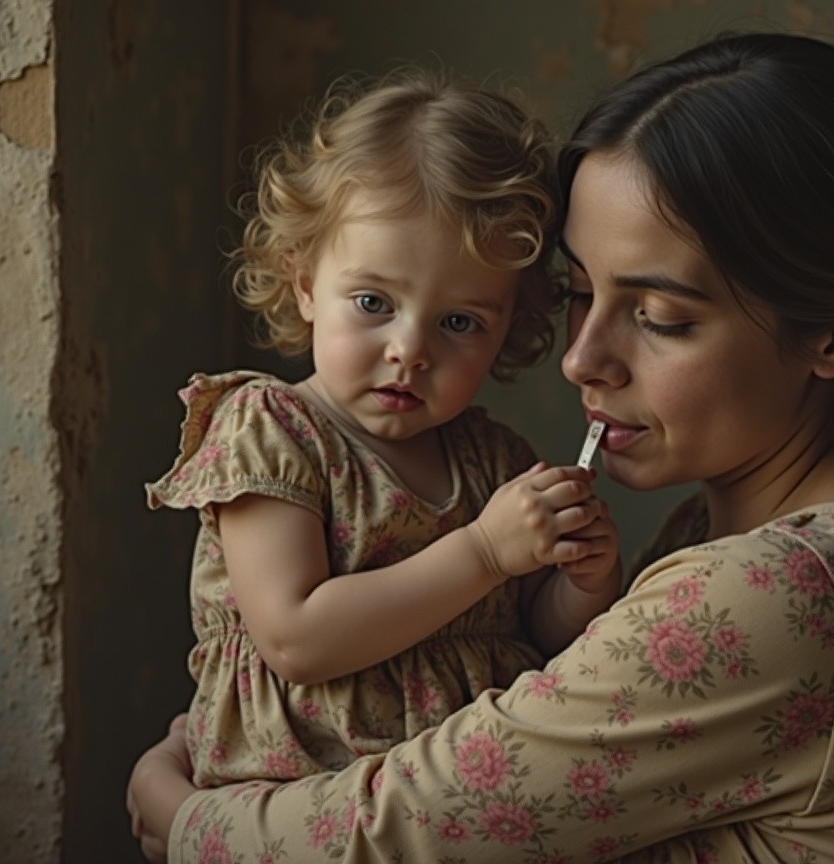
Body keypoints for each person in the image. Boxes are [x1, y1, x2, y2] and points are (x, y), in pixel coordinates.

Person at [128, 32, 834, 862]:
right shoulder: (742, 547)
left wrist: (181, 821)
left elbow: (407, 831)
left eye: (659, 317)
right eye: (581, 293)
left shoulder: (785, 595)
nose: (583, 360)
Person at [142, 69, 622, 791]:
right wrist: (488, 548)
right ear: (304, 281)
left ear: (509, 329)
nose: (411, 349)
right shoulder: (271, 429)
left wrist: (585, 580)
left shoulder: (494, 460)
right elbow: (296, 637)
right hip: (297, 806)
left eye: (460, 322)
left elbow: (537, 637)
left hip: (452, 808)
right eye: (373, 301)